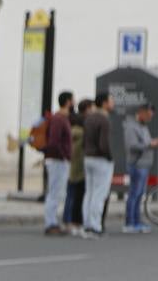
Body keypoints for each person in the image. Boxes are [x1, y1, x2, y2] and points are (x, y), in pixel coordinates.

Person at [122, 102, 158, 234]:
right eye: (148, 115)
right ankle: (130, 222)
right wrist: (150, 144)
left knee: (139, 194)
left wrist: (150, 143)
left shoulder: (143, 126)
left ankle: (137, 221)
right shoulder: (131, 127)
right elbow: (132, 145)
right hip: (137, 164)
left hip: (144, 164)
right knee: (134, 193)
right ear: (141, 112)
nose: (150, 118)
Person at [81, 91, 115, 238]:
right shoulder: (104, 119)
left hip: (88, 157)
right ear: (104, 103)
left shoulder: (89, 118)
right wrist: (109, 157)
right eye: (111, 101)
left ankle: (87, 225)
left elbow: (84, 141)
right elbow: (103, 144)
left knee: (89, 192)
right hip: (101, 159)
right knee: (99, 194)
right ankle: (96, 226)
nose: (113, 104)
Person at [42, 91, 74, 235]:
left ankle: (53, 221)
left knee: (58, 192)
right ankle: (50, 223)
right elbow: (54, 142)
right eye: (73, 100)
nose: (74, 103)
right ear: (68, 102)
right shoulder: (59, 119)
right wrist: (64, 156)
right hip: (57, 161)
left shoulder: (61, 118)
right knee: (55, 192)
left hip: (59, 160)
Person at [62, 99, 91, 236]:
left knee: (70, 195)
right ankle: (73, 221)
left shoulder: (71, 132)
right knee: (77, 196)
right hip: (79, 168)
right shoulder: (82, 134)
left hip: (70, 166)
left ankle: (66, 220)